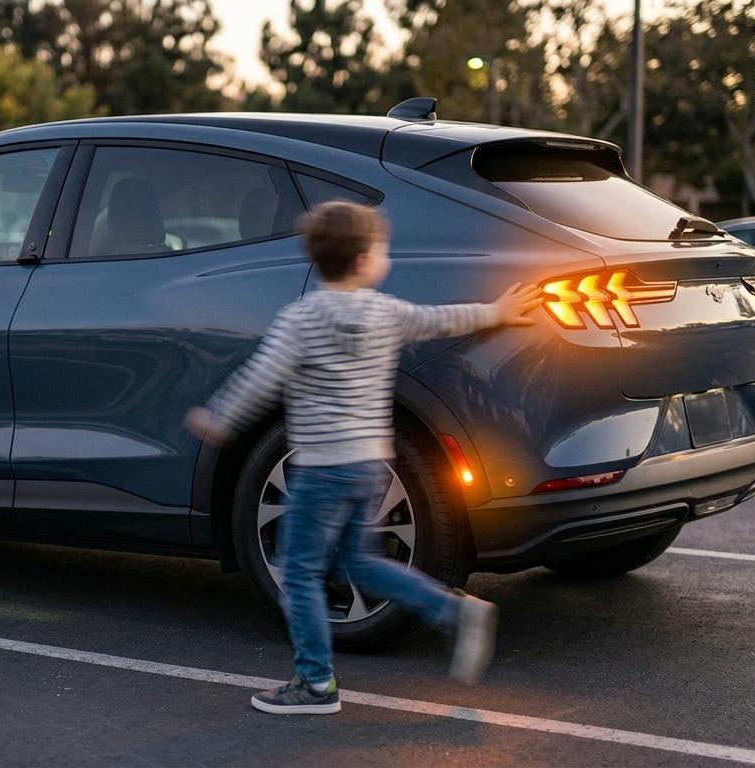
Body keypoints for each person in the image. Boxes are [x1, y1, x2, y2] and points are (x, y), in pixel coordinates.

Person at [185, 200, 544, 715]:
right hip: (371, 467)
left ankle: (315, 683)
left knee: (301, 573)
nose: (385, 259)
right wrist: (497, 312)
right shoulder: (385, 312)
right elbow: (442, 321)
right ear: (362, 261)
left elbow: (261, 378)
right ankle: (451, 611)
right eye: (381, 250)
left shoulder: (301, 318)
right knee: (358, 560)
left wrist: (219, 419)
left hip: (321, 468)